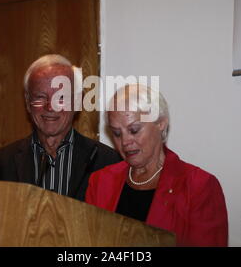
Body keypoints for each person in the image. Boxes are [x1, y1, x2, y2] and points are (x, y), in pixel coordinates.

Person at [85, 84, 228, 246]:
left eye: (134, 130)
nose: (125, 142)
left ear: (161, 123)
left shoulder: (198, 187)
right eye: (117, 134)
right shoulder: (100, 181)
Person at [0, 54, 121, 201]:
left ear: (78, 102)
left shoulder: (108, 162)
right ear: (28, 102)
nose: (50, 107)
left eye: (60, 97)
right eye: (40, 97)